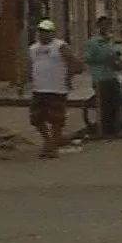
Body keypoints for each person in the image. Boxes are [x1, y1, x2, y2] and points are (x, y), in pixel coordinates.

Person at [29, 18, 80, 159]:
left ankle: (52, 147)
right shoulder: (33, 48)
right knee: (36, 118)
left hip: (56, 88)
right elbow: (30, 65)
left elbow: (73, 62)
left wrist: (69, 78)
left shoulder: (60, 46)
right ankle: (48, 141)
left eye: (46, 32)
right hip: (39, 88)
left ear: (52, 33)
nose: (43, 34)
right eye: (41, 31)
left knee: (56, 120)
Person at [84, 16, 122, 138]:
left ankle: (114, 130)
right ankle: (104, 131)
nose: (106, 27)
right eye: (103, 25)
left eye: (108, 25)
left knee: (115, 104)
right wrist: (105, 57)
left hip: (112, 76)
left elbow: (116, 55)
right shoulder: (93, 42)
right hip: (100, 78)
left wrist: (118, 62)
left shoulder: (110, 41)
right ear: (98, 26)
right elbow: (88, 58)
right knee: (104, 105)